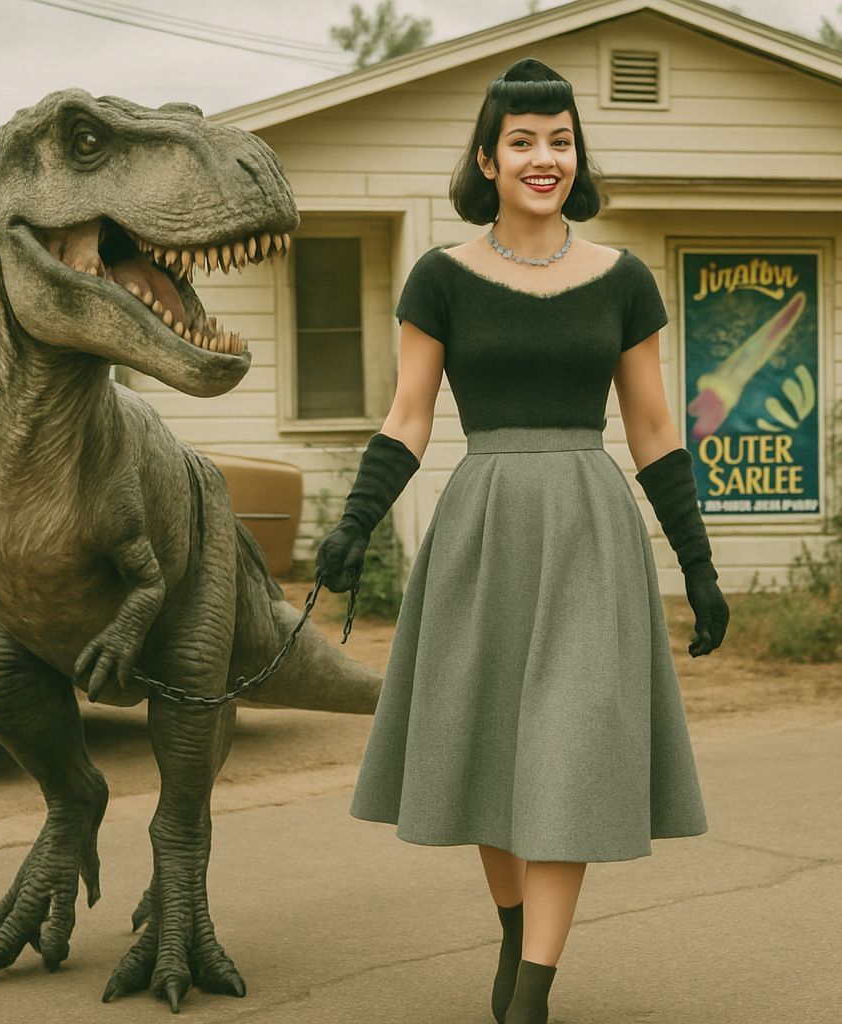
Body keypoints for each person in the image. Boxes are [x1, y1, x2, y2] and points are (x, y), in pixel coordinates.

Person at [314, 57, 730, 1024]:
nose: (545, 158)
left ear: (574, 156)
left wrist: (698, 565)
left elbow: (657, 430)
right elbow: (409, 416)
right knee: (489, 750)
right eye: (524, 142)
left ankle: (530, 999)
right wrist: (354, 523)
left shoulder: (622, 280)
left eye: (561, 140)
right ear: (487, 159)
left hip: (590, 530)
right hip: (484, 528)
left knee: (569, 751)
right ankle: (516, 930)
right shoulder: (442, 277)